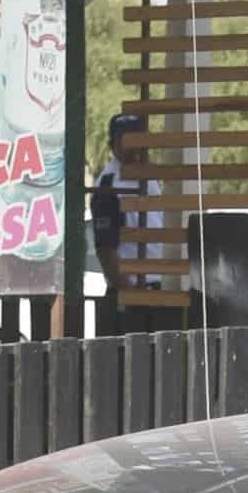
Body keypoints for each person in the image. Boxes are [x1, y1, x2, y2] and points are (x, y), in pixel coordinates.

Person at [89, 109, 143, 333]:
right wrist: (129, 293)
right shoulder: (109, 185)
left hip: (154, 292)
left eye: (137, 138)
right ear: (113, 145)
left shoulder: (150, 177)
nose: (133, 145)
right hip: (129, 297)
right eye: (126, 139)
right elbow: (106, 249)